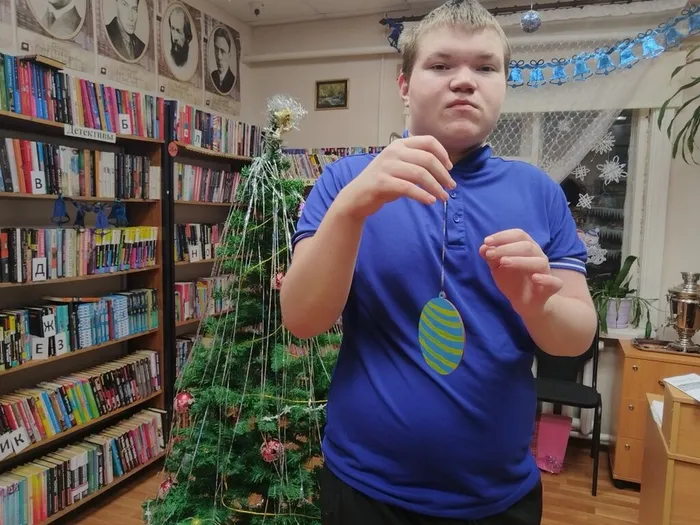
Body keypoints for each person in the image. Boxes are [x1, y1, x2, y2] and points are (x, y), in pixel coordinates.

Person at [280, 0, 598, 523]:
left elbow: (576, 338)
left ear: (504, 84)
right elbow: (302, 319)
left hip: (499, 497)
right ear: (404, 84)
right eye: (441, 64)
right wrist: (351, 211)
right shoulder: (345, 182)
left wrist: (537, 305)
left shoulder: (540, 192)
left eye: (486, 67)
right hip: (365, 491)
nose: (464, 80)